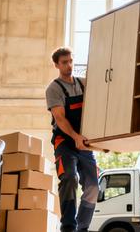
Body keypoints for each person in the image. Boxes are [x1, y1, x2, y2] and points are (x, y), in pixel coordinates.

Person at [45, 47, 99, 232]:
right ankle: (68, 227)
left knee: (93, 187)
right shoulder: (54, 89)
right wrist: (75, 136)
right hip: (64, 142)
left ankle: (82, 228)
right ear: (56, 65)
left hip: (84, 143)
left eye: (70, 61)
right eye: (64, 62)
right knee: (69, 177)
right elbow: (60, 118)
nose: (69, 65)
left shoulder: (84, 83)